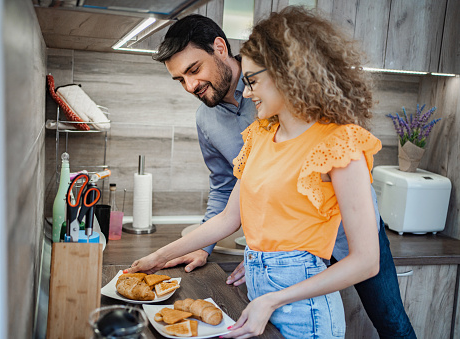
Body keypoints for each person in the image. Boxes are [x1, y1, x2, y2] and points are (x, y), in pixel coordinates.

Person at [126, 6, 411, 338]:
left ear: (286, 74)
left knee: (391, 321)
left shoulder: (337, 141)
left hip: (343, 245)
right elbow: (229, 202)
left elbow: (366, 259)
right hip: (275, 284)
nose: (189, 86)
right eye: (180, 80)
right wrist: (160, 257)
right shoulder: (256, 134)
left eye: (193, 70)